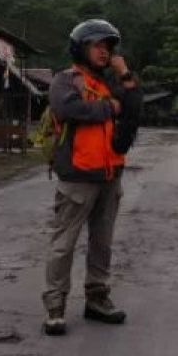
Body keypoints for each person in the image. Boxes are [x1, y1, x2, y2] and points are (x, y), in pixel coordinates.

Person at [42, 19, 142, 336]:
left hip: (110, 175)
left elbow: (134, 110)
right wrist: (110, 108)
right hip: (78, 178)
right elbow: (68, 110)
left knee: (102, 243)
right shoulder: (65, 80)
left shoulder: (108, 84)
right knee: (64, 244)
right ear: (81, 48)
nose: (104, 52)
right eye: (97, 45)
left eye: (108, 47)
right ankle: (55, 307)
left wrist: (124, 74)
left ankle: (97, 299)